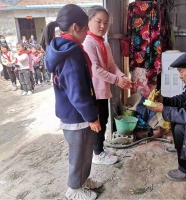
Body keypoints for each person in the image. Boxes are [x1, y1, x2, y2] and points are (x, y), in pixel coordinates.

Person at [41, 4, 103, 200]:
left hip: (77, 113)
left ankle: (83, 181)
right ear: (75, 27)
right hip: (75, 115)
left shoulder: (67, 48)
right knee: (78, 154)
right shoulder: (70, 54)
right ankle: (74, 189)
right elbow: (77, 92)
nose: (87, 33)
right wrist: (92, 117)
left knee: (85, 151)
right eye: (86, 29)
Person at [83, 5, 132, 165]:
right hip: (94, 92)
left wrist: (122, 76)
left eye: (106, 23)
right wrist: (117, 80)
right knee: (98, 123)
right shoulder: (88, 42)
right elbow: (95, 69)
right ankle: (97, 154)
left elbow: (111, 65)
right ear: (88, 21)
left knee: (103, 120)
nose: (102, 26)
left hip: (103, 90)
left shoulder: (104, 44)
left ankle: (99, 150)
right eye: (98, 21)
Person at [147, 49, 186, 182]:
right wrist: (164, 100)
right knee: (175, 116)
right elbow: (183, 99)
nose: (180, 76)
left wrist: (163, 109)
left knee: (181, 127)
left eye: (181, 72)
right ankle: (181, 148)